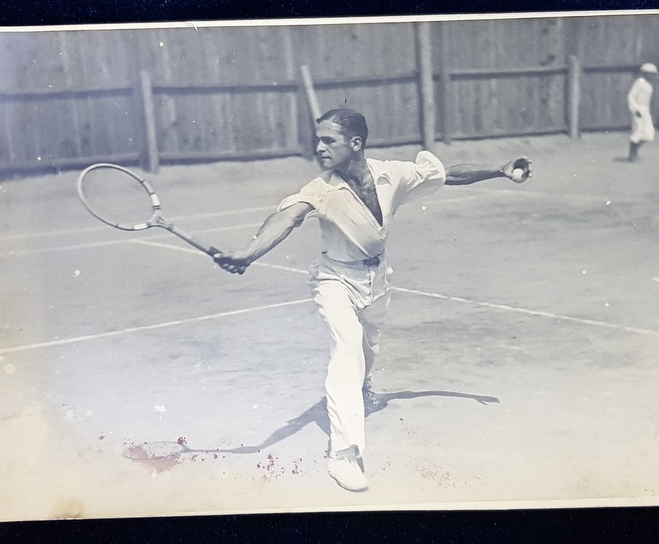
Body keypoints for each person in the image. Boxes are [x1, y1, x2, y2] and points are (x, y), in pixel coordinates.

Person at [213, 109, 531, 492]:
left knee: (368, 348)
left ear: (356, 143)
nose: (319, 148)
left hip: (377, 278)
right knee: (347, 349)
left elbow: (446, 175)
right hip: (334, 278)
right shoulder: (320, 189)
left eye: (328, 140)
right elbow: (287, 217)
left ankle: (361, 385)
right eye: (318, 140)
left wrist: (498, 169)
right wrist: (250, 253)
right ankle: (344, 454)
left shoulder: (391, 174)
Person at [627, 63, 659, 161]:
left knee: (649, 134)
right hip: (638, 109)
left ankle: (634, 152)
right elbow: (631, 96)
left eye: (653, 74)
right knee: (638, 131)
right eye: (650, 73)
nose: (652, 76)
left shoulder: (649, 84)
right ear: (645, 73)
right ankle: (632, 154)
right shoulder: (640, 82)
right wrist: (635, 109)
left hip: (645, 109)